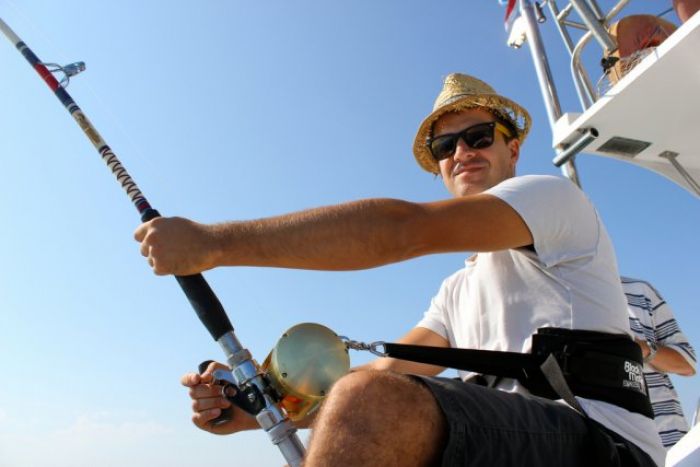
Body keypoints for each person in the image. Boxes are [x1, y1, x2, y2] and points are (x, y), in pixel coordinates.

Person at [135, 73, 665, 466]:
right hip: (505, 446)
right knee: (369, 394)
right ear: (438, 165)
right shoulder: (457, 291)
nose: (462, 153)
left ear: (513, 147)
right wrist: (260, 412)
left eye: (479, 136)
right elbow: (386, 372)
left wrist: (213, 244)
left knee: (369, 402)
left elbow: (403, 230)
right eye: (445, 146)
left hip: (602, 446)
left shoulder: (552, 199)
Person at [622, 276, 697, 449]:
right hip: (601, 445)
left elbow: (687, 364)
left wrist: (643, 349)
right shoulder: (552, 297)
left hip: (666, 442)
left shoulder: (640, 291)